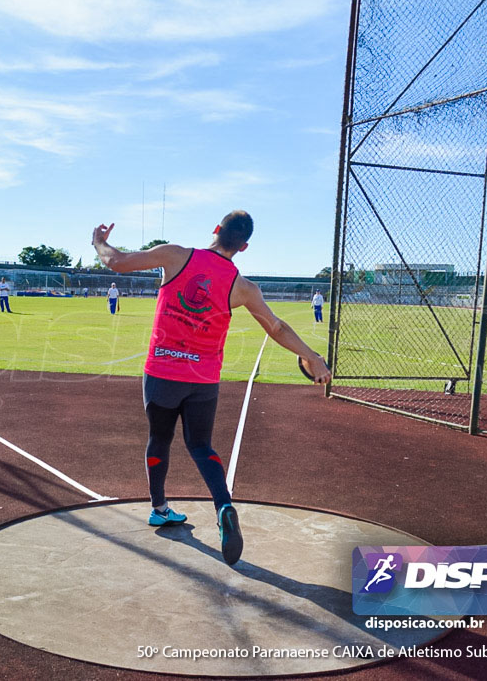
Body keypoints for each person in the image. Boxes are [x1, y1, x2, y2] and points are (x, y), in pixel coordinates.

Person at [92, 210, 331, 566]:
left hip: (162, 371)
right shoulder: (244, 287)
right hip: (203, 379)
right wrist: (313, 357)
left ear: (216, 229)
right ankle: (223, 506)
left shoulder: (174, 255)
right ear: (244, 246)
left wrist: (98, 241)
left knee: (160, 439)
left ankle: (159, 508)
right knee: (200, 445)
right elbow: (277, 328)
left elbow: (117, 262)